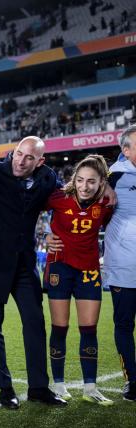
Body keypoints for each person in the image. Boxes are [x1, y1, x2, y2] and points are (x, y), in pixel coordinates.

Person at [0, 136, 69, 408]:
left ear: (39, 161)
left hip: (25, 264)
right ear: (13, 151)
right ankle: (5, 388)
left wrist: (108, 188)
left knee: (34, 322)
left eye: (29, 157)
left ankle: (39, 387)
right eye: (19, 153)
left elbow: (68, 200)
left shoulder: (47, 178)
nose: (21, 160)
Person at [42, 155, 113, 405]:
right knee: (60, 327)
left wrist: (109, 188)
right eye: (80, 180)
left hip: (89, 270)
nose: (84, 186)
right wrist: (43, 235)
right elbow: (26, 211)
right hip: (60, 267)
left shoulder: (107, 201)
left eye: (91, 181)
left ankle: (90, 388)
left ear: (101, 182)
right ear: (74, 179)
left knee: (89, 329)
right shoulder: (58, 197)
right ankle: (58, 385)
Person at [105, 126, 136, 401]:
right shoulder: (114, 176)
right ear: (125, 151)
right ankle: (132, 381)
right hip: (125, 267)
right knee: (125, 325)